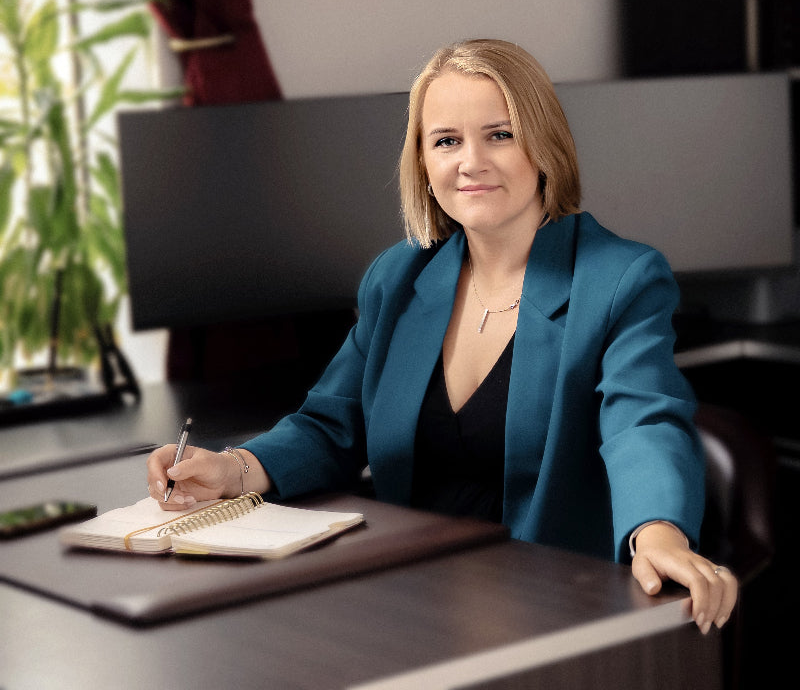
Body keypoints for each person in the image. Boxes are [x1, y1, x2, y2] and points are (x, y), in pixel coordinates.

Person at [147, 38, 738, 633]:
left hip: (551, 598)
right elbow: (332, 424)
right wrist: (234, 470)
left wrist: (657, 531)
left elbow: (643, 421)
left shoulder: (619, 279)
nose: (470, 161)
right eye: (447, 140)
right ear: (423, 163)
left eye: (500, 134)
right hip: (409, 591)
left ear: (544, 144)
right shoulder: (400, 277)